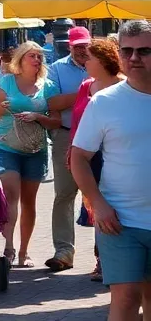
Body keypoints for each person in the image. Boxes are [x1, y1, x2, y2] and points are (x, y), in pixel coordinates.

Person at [71, 19, 151, 321]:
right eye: (127, 51)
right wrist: (98, 205)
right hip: (120, 220)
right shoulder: (104, 102)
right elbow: (78, 158)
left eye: (144, 51)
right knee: (127, 296)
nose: (134, 58)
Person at [0, 41, 57, 269]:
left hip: (35, 148)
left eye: (39, 56)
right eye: (32, 56)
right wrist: (3, 107)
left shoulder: (48, 86)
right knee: (10, 195)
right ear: (21, 59)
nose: (37, 60)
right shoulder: (7, 81)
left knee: (29, 202)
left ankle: (24, 251)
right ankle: (8, 247)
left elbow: (56, 121)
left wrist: (38, 117)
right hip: (6, 146)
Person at [68, 37, 124, 282]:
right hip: (89, 154)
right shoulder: (86, 86)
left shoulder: (125, 86)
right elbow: (79, 121)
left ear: (102, 60)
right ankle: (101, 260)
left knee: (115, 204)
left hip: (114, 155)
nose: (84, 62)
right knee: (95, 204)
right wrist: (72, 148)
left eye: (89, 58)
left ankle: (114, 260)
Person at [43, 25, 92, 272]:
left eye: (87, 45)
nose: (84, 51)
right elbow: (52, 102)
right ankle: (64, 252)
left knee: (101, 195)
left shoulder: (102, 63)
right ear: (69, 46)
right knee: (64, 194)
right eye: (79, 46)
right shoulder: (56, 69)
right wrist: (87, 91)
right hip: (66, 137)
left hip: (100, 140)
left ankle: (103, 257)